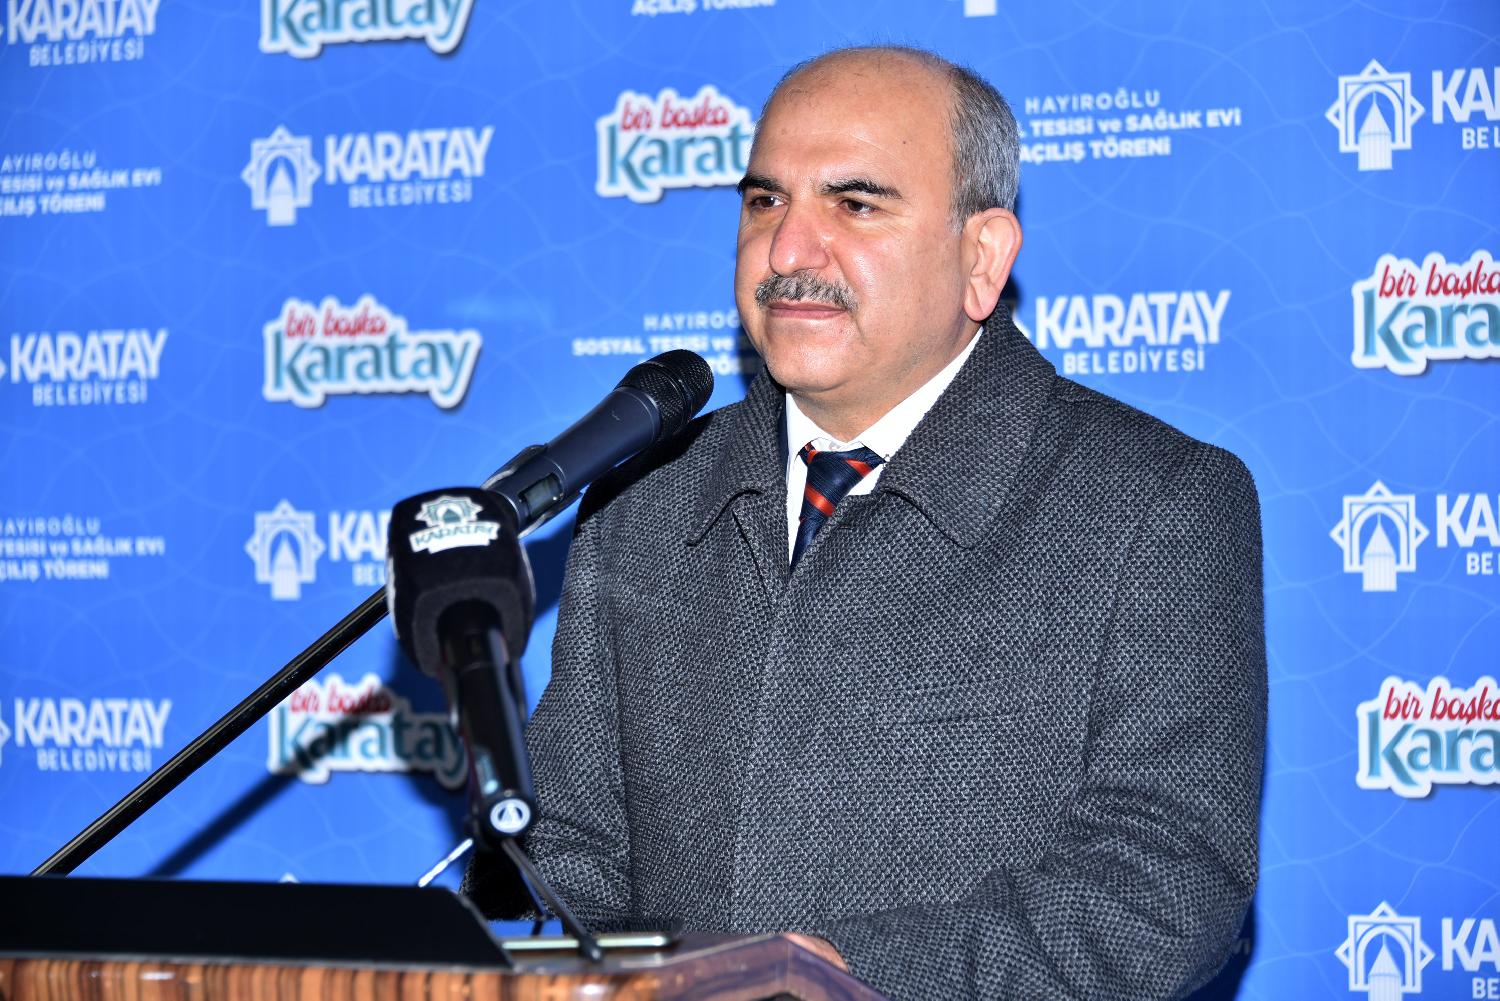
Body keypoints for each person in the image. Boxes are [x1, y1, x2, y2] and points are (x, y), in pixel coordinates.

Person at [466, 45, 1266, 1000]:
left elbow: (1165, 884)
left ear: (982, 258)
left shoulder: (1154, 502)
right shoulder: (645, 500)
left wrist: (837, 976)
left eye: (854, 204)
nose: (788, 252)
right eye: (765, 201)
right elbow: (570, 858)